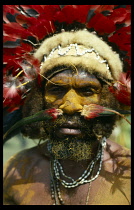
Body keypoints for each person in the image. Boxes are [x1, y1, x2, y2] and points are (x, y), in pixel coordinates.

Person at [3, 5, 131, 205]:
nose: (71, 106)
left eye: (87, 91)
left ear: (107, 98)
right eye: (56, 90)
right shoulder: (17, 170)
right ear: (39, 99)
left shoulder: (128, 172)